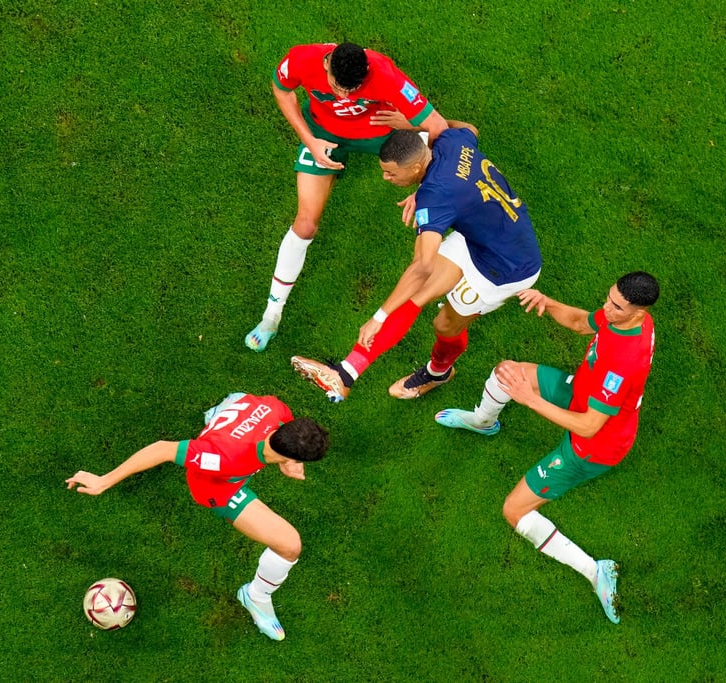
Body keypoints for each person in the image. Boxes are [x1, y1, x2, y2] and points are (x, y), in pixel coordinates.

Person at [434, 272, 659, 624]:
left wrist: (529, 400)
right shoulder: (627, 318)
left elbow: (588, 425)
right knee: (507, 372)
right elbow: (583, 323)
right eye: (608, 297)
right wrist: (548, 302)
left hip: (594, 446)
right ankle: (483, 422)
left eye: (615, 306)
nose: (606, 307)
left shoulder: (623, 361)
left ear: (637, 311)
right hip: (582, 393)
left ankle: (595, 571)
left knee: (515, 511)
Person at [290, 126, 542, 402]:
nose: (386, 178)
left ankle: (438, 372)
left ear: (417, 167)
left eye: (392, 173)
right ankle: (345, 375)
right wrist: (416, 132)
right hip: (483, 236)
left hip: (504, 267)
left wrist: (379, 317)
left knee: (444, 325)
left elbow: (422, 266)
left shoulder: (436, 197)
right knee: (414, 297)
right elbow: (470, 129)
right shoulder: (451, 141)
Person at [65, 392, 329, 641]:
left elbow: (281, 421)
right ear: (286, 451)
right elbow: (163, 449)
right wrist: (104, 481)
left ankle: (221, 413)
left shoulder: (275, 409)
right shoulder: (224, 458)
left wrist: (287, 460)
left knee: (240, 399)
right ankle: (255, 597)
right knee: (289, 545)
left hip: (237, 427)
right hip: (217, 487)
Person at [245, 42, 450, 352]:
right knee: (305, 225)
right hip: (323, 135)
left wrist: (424, 188)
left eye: (352, 91)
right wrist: (310, 141)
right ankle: (271, 317)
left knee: (437, 147)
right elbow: (282, 90)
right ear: (326, 65)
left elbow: (438, 126)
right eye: (337, 89)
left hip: (379, 135)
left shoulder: (386, 74)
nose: (343, 97)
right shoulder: (301, 59)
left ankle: (453, 135)